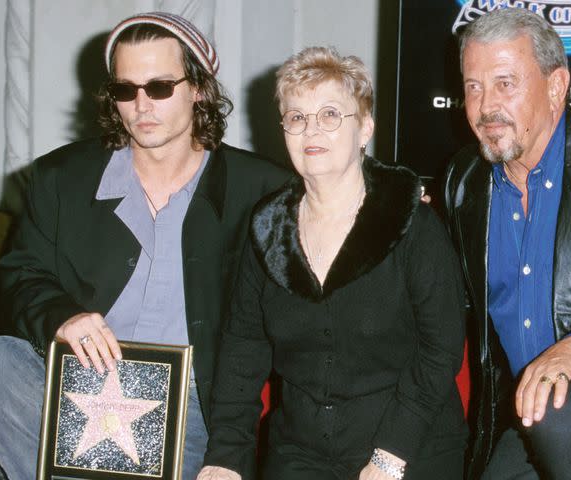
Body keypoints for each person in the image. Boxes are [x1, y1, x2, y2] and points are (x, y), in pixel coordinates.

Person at [0, 12, 289, 480]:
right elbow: (19, 275)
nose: (140, 105)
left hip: (187, 404)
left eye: (158, 87)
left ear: (198, 88)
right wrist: (61, 316)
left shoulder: (263, 190)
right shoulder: (62, 178)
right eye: (124, 89)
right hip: (71, 384)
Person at [197, 46, 467, 480]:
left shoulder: (411, 222)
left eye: (329, 115)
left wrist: (389, 456)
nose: (311, 132)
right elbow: (242, 347)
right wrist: (225, 456)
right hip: (299, 451)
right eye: (296, 117)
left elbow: (441, 350)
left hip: (409, 445)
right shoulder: (267, 227)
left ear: (365, 128)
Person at [444, 8, 571, 480]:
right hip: (525, 419)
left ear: (556, 87)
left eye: (505, 83)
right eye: (473, 86)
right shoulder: (463, 182)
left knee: (562, 418)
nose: (486, 106)